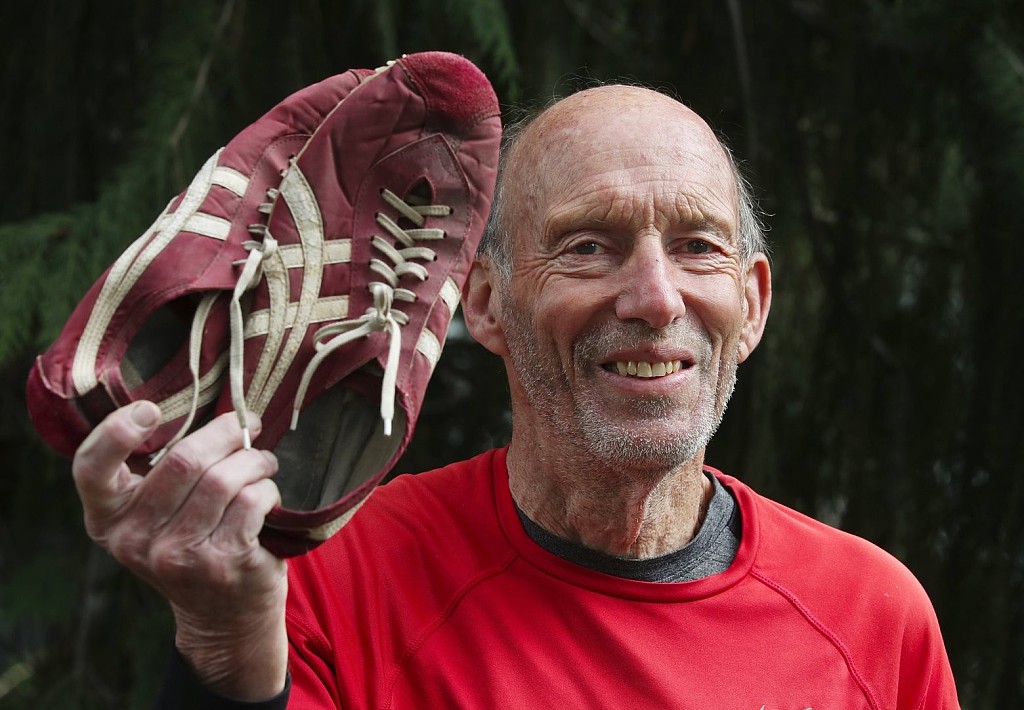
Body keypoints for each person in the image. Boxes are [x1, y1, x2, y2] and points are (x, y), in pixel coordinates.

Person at [71, 85, 960, 708]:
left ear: (753, 304)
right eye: (587, 247)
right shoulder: (340, 576)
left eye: (699, 247)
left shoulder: (873, 618)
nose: (656, 299)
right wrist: (225, 645)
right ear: (487, 304)